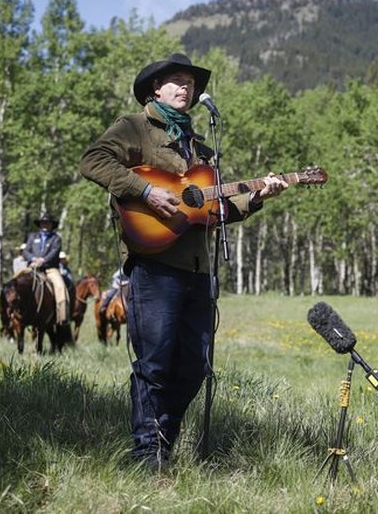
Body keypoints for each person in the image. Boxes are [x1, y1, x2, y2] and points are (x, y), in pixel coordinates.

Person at [79, 53, 288, 468]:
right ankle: (147, 453)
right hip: (154, 265)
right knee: (154, 364)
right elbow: (93, 160)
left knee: (194, 368)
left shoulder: (200, 147)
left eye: (189, 83)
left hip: (199, 270)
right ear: (155, 88)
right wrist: (144, 191)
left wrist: (258, 195)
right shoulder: (134, 127)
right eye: (176, 81)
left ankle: (164, 441)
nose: (185, 88)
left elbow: (211, 210)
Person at [22, 213, 70, 326]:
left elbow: (54, 253)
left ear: (51, 225)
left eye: (47, 223)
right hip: (32, 267)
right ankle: (10, 313)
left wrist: (42, 260)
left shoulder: (56, 238)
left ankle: (62, 317)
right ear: (39, 224)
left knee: (60, 287)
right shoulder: (32, 236)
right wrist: (33, 259)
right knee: (15, 281)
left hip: (50, 269)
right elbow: (25, 251)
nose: (45, 225)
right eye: (43, 222)